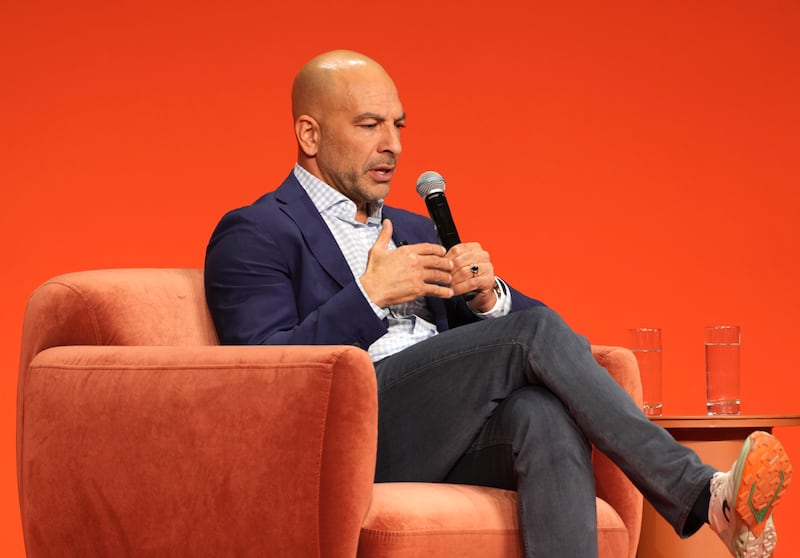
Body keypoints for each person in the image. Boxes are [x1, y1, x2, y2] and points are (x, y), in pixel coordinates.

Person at [204, 49, 792, 557]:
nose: (393, 145)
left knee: (542, 413)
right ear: (309, 134)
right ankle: (702, 493)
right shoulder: (255, 231)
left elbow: (548, 337)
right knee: (530, 338)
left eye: (398, 125)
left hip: (440, 431)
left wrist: (490, 299)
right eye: (369, 125)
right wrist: (369, 296)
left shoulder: (415, 228)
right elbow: (268, 379)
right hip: (350, 440)